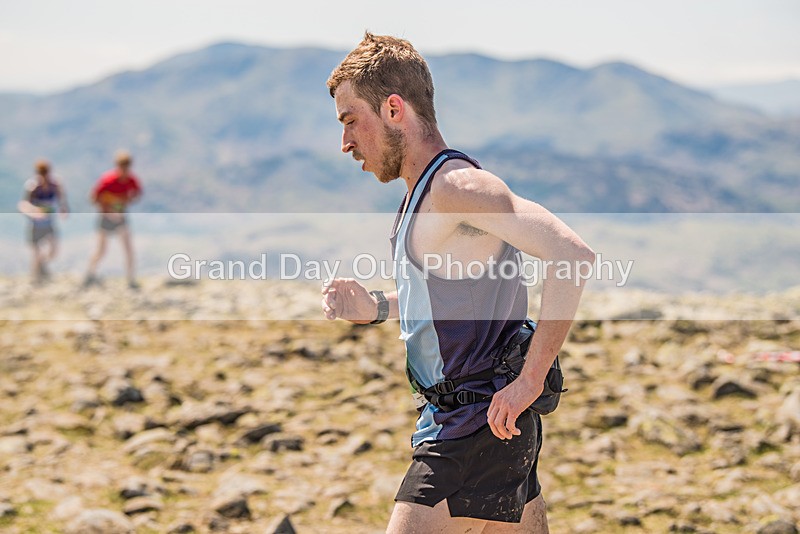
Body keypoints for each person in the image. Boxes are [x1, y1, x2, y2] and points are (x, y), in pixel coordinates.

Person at [321, 33, 595, 533]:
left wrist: (531, 379)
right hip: (486, 427)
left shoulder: (457, 188)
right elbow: (449, 295)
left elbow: (571, 254)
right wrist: (376, 306)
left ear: (394, 108)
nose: (345, 142)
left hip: (471, 431)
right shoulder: (421, 195)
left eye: (349, 120)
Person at [84, 150, 143, 289]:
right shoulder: (108, 180)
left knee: (128, 248)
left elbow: (137, 194)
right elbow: (93, 198)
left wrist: (126, 200)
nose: (124, 170)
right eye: (122, 167)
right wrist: (107, 207)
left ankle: (131, 279)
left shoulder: (131, 180)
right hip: (105, 217)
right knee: (101, 250)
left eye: (127, 167)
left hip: (121, 217)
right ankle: (90, 273)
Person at [17, 159, 69, 283]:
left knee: (53, 251)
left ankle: (42, 267)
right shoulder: (32, 187)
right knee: (36, 253)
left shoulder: (55, 185)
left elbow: (62, 202)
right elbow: (22, 205)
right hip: (35, 225)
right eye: (41, 173)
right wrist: (34, 211)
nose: (44, 176)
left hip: (49, 224)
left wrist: (63, 210)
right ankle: (35, 281)